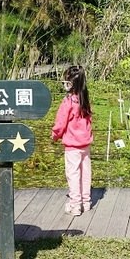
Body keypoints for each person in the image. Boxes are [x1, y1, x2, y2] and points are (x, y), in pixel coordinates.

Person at [51, 65, 94, 216]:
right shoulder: (85, 99)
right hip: (85, 144)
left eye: (66, 81)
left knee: (73, 174)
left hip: (72, 145)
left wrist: (55, 135)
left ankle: (75, 205)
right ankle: (86, 201)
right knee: (85, 173)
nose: (64, 84)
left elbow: (60, 122)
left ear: (70, 83)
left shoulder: (68, 101)